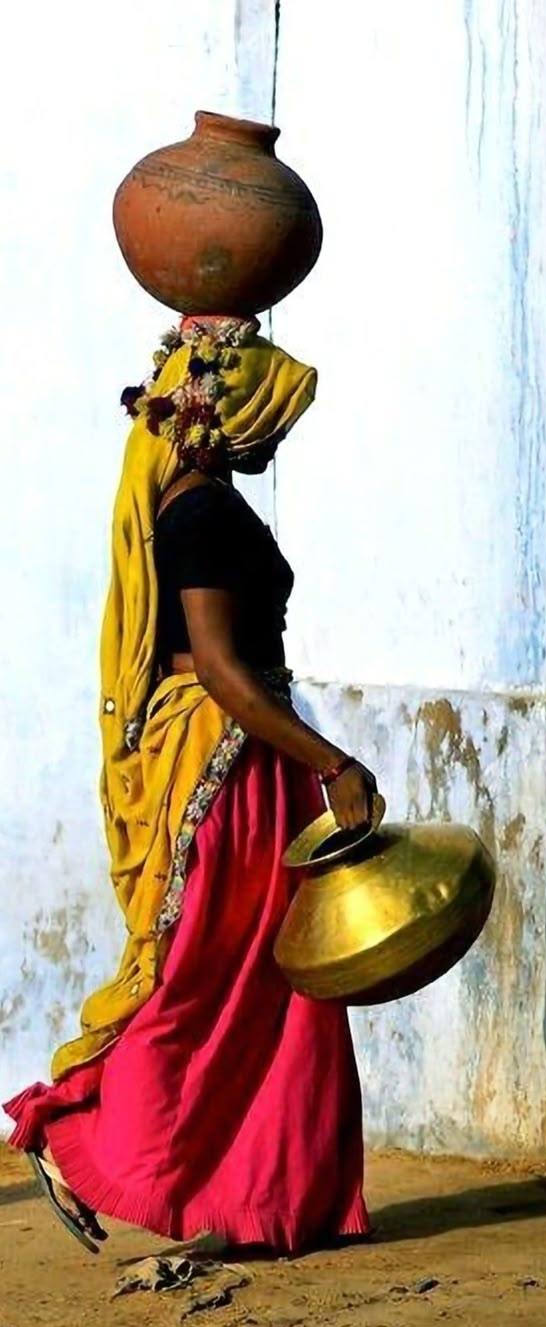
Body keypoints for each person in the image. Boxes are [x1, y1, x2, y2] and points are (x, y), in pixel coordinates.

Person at [4, 316, 375, 1255]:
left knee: (270, 987)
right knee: (202, 984)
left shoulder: (203, 500)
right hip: (227, 768)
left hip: (253, 761)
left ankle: (271, 1196)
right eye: (269, 417)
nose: (276, 437)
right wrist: (328, 759)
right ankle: (72, 1127)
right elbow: (217, 663)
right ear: (228, 414)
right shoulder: (202, 514)